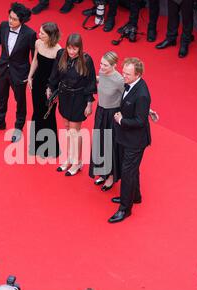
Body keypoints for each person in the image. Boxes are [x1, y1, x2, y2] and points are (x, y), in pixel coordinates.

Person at [0, 2, 37, 143]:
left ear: (22, 20)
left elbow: (34, 56)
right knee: (1, 97)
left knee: (20, 101)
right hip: (3, 68)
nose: (10, 21)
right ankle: (0, 121)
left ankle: (18, 128)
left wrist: (32, 76)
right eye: (10, 17)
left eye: (14, 19)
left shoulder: (30, 34)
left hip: (20, 73)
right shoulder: (3, 26)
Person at [47, 33, 97, 176]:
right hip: (64, 96)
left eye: (75, 49)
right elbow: (55, 73)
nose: (72, 51)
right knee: (68, 128)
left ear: (80, 48)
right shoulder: (61, 54)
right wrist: (50, 87)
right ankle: (69, 158)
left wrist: (89, 103)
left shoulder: (86, 60)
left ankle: (77, 162)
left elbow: (90, 82)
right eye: (69, 48)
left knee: (75, 132)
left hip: (79, 98)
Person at [109, 58, 151, 223]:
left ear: (138, 74)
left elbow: (139, 122)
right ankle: (135, 196)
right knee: (132, 170)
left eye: (127, 74)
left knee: (127, 172)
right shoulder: (133, 84)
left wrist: (121, 120)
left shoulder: (141, 94)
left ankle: (125, 209)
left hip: (135, 141)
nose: (123, 76)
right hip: (127, 137)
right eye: (123, 72)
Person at [89, 51, 124, 192]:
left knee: (110, 146)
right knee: (99, 142)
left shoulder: (119, 80)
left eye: (105, 65)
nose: (102, 67)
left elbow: (129, 97)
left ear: (114, 65)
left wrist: (148, 110)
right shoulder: (102, 73)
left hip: (112, 115)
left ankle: (110, 176)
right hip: (100, 112)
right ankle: (103, 172)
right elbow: (100, 79)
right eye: (101, 63)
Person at [27, 22, 62, 158]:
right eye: (39, 31)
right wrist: (30, 76)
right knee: (37, 112)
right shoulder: (38, 43)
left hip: (50, 87)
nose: (39, 34)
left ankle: (50, 149)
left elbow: (58, 72)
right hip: (37, 83)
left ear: (51, 36)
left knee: (48, 114)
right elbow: (35, 60)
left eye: (42, 33)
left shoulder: (59, 51)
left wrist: (52, 89)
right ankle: (36, 146)